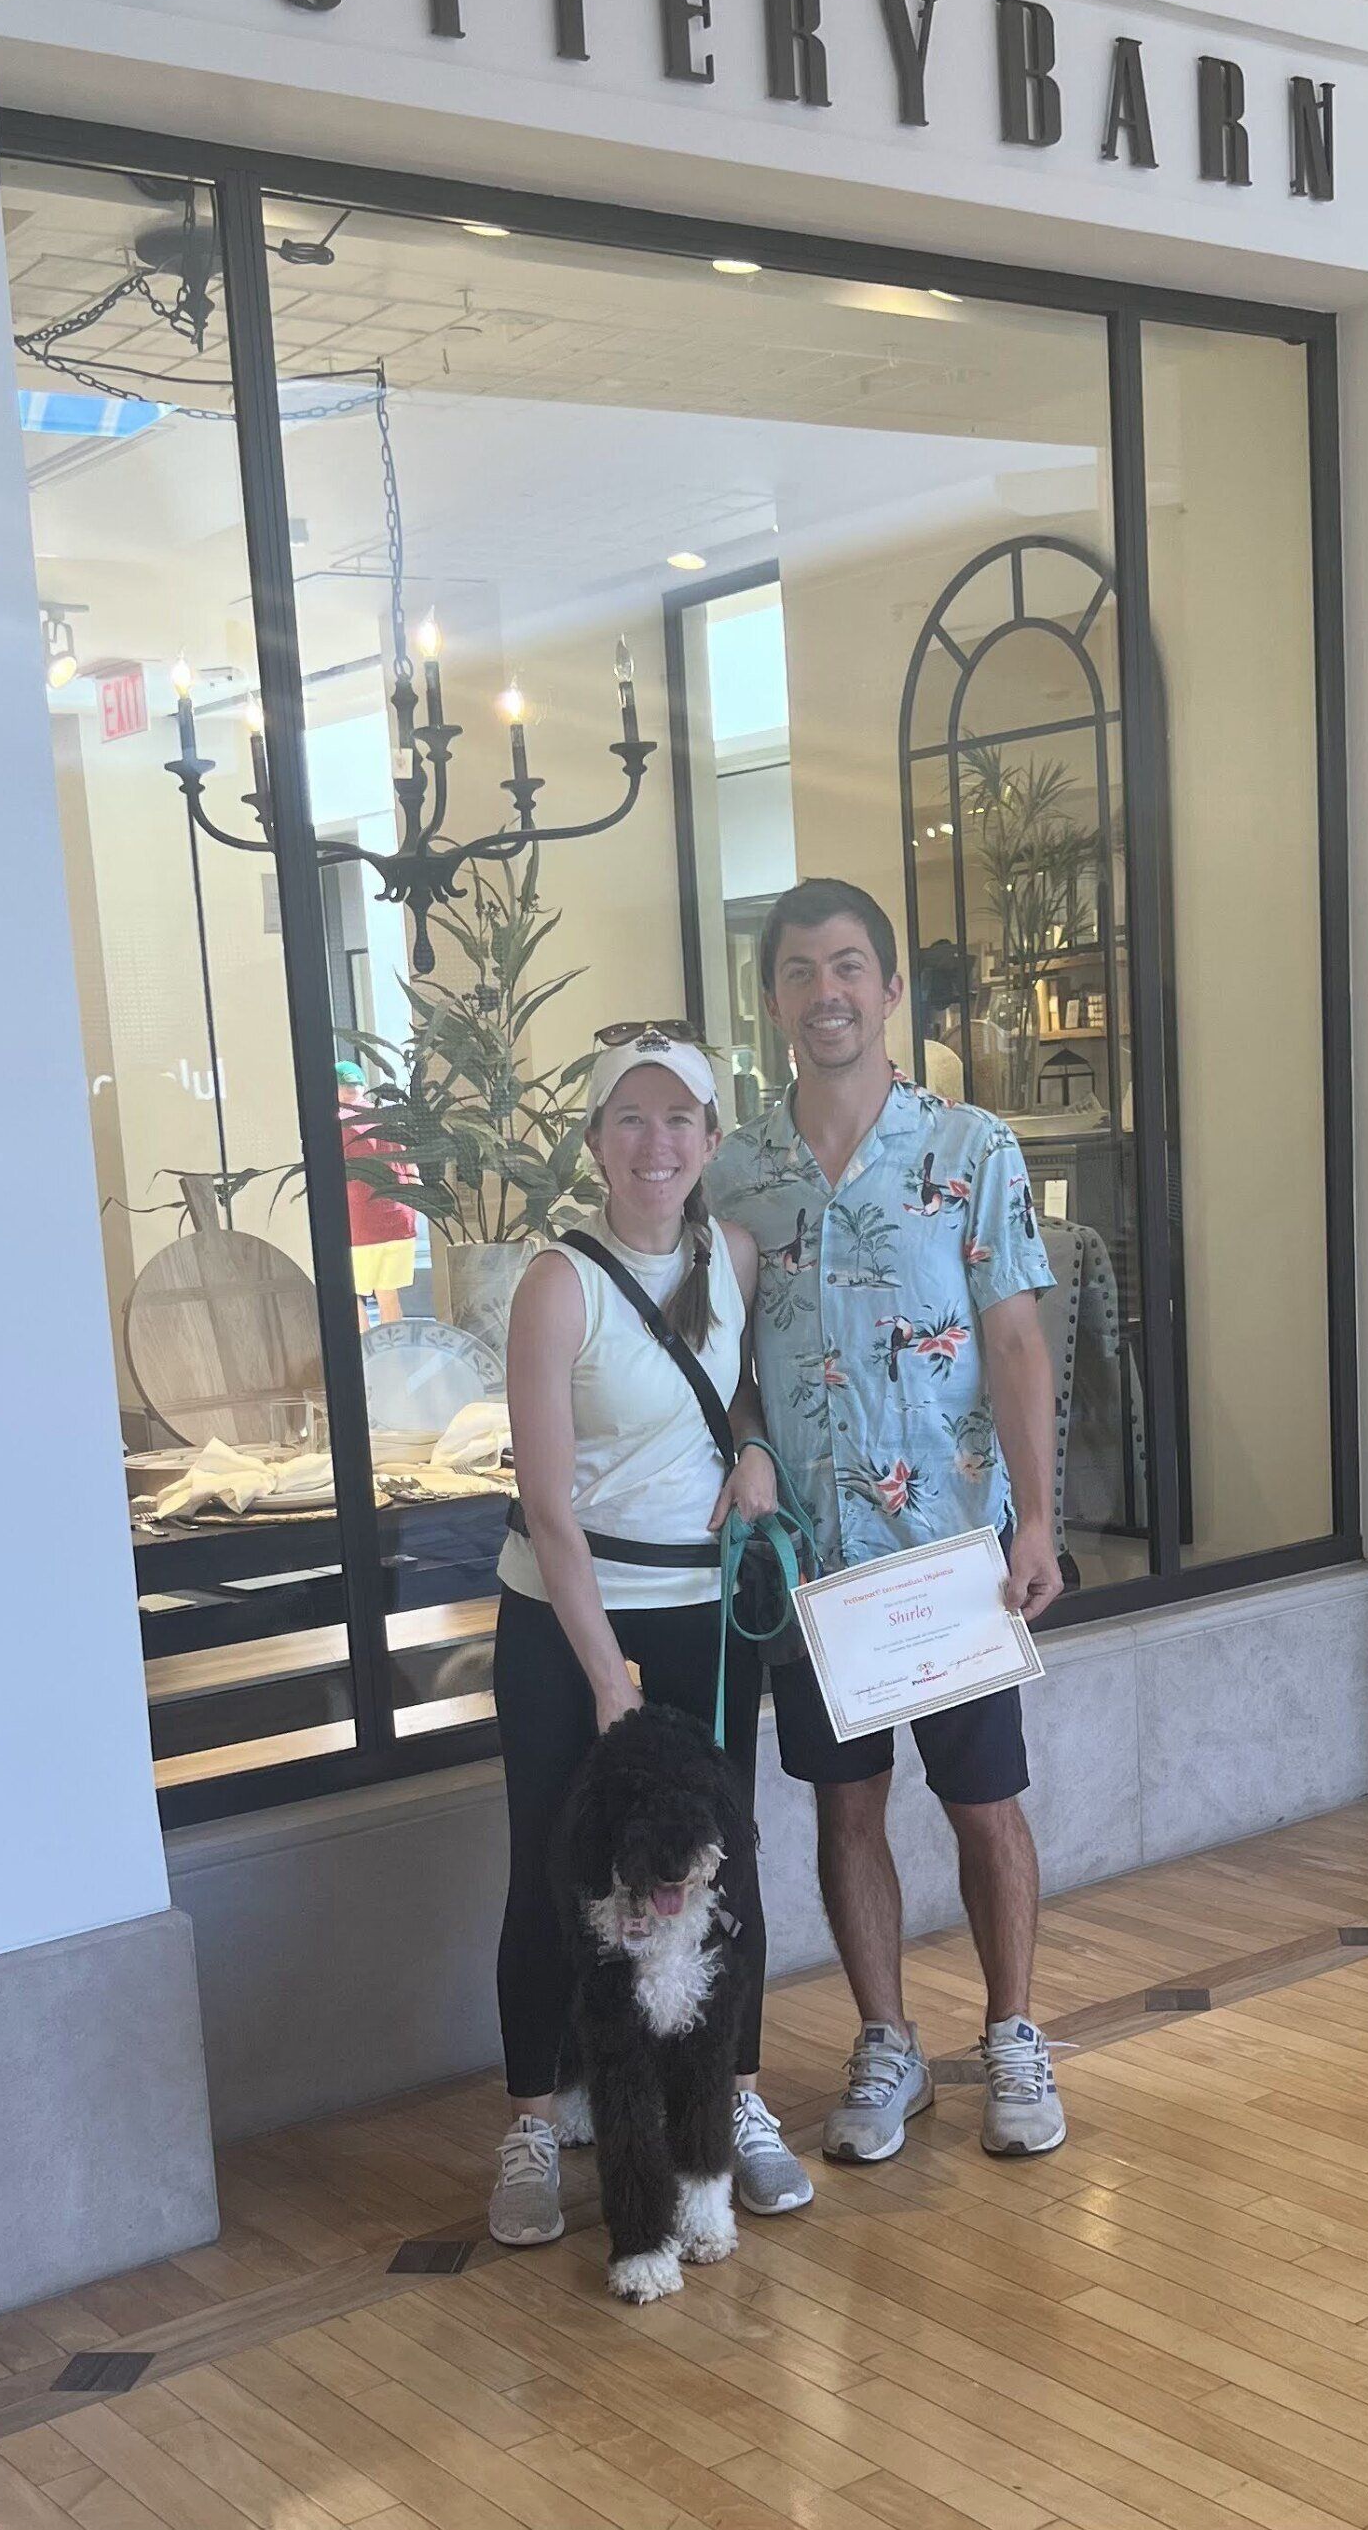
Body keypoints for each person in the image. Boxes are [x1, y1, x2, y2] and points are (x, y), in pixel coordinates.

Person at [706, 877, 1070, 2166]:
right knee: (844, 1809)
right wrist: (749, 1442)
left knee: (985, 1803)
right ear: (772, 1002)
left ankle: (1015, 2033)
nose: (827, 994)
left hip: (952, 1555)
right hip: (813, 1564)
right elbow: (727, 1358)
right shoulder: (737, 1173)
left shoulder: (971, 1153)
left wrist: (1037, 1520)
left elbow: (1016, 1339)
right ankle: (887, 2042)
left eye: (850, 967)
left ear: (891, 985)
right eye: (800, 972)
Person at [487, 1023, 815, 2246]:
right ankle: (534, 2117)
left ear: (712, 1140)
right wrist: (604, 1679)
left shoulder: (730, 1253)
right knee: (555, 1867)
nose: (656, 1143)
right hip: (570, 1614)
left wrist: (755, 1452)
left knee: (724, 1863)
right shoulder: (555, 1284)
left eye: (679, 1120)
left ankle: (729, 2104)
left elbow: (729, 1392)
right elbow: (550, 1509)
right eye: (630, 1119)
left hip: (704, 1613)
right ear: (594, 1141)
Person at [336, 1063, 418, 1327]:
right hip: (398, 1219)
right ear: (360, 1087)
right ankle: (392, 1355)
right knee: (389, 1296)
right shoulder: (388, 1118)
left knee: (351, 1296)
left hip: (358, 1220)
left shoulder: (337, 1124)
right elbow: (411, 1165)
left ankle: (365, 1358)